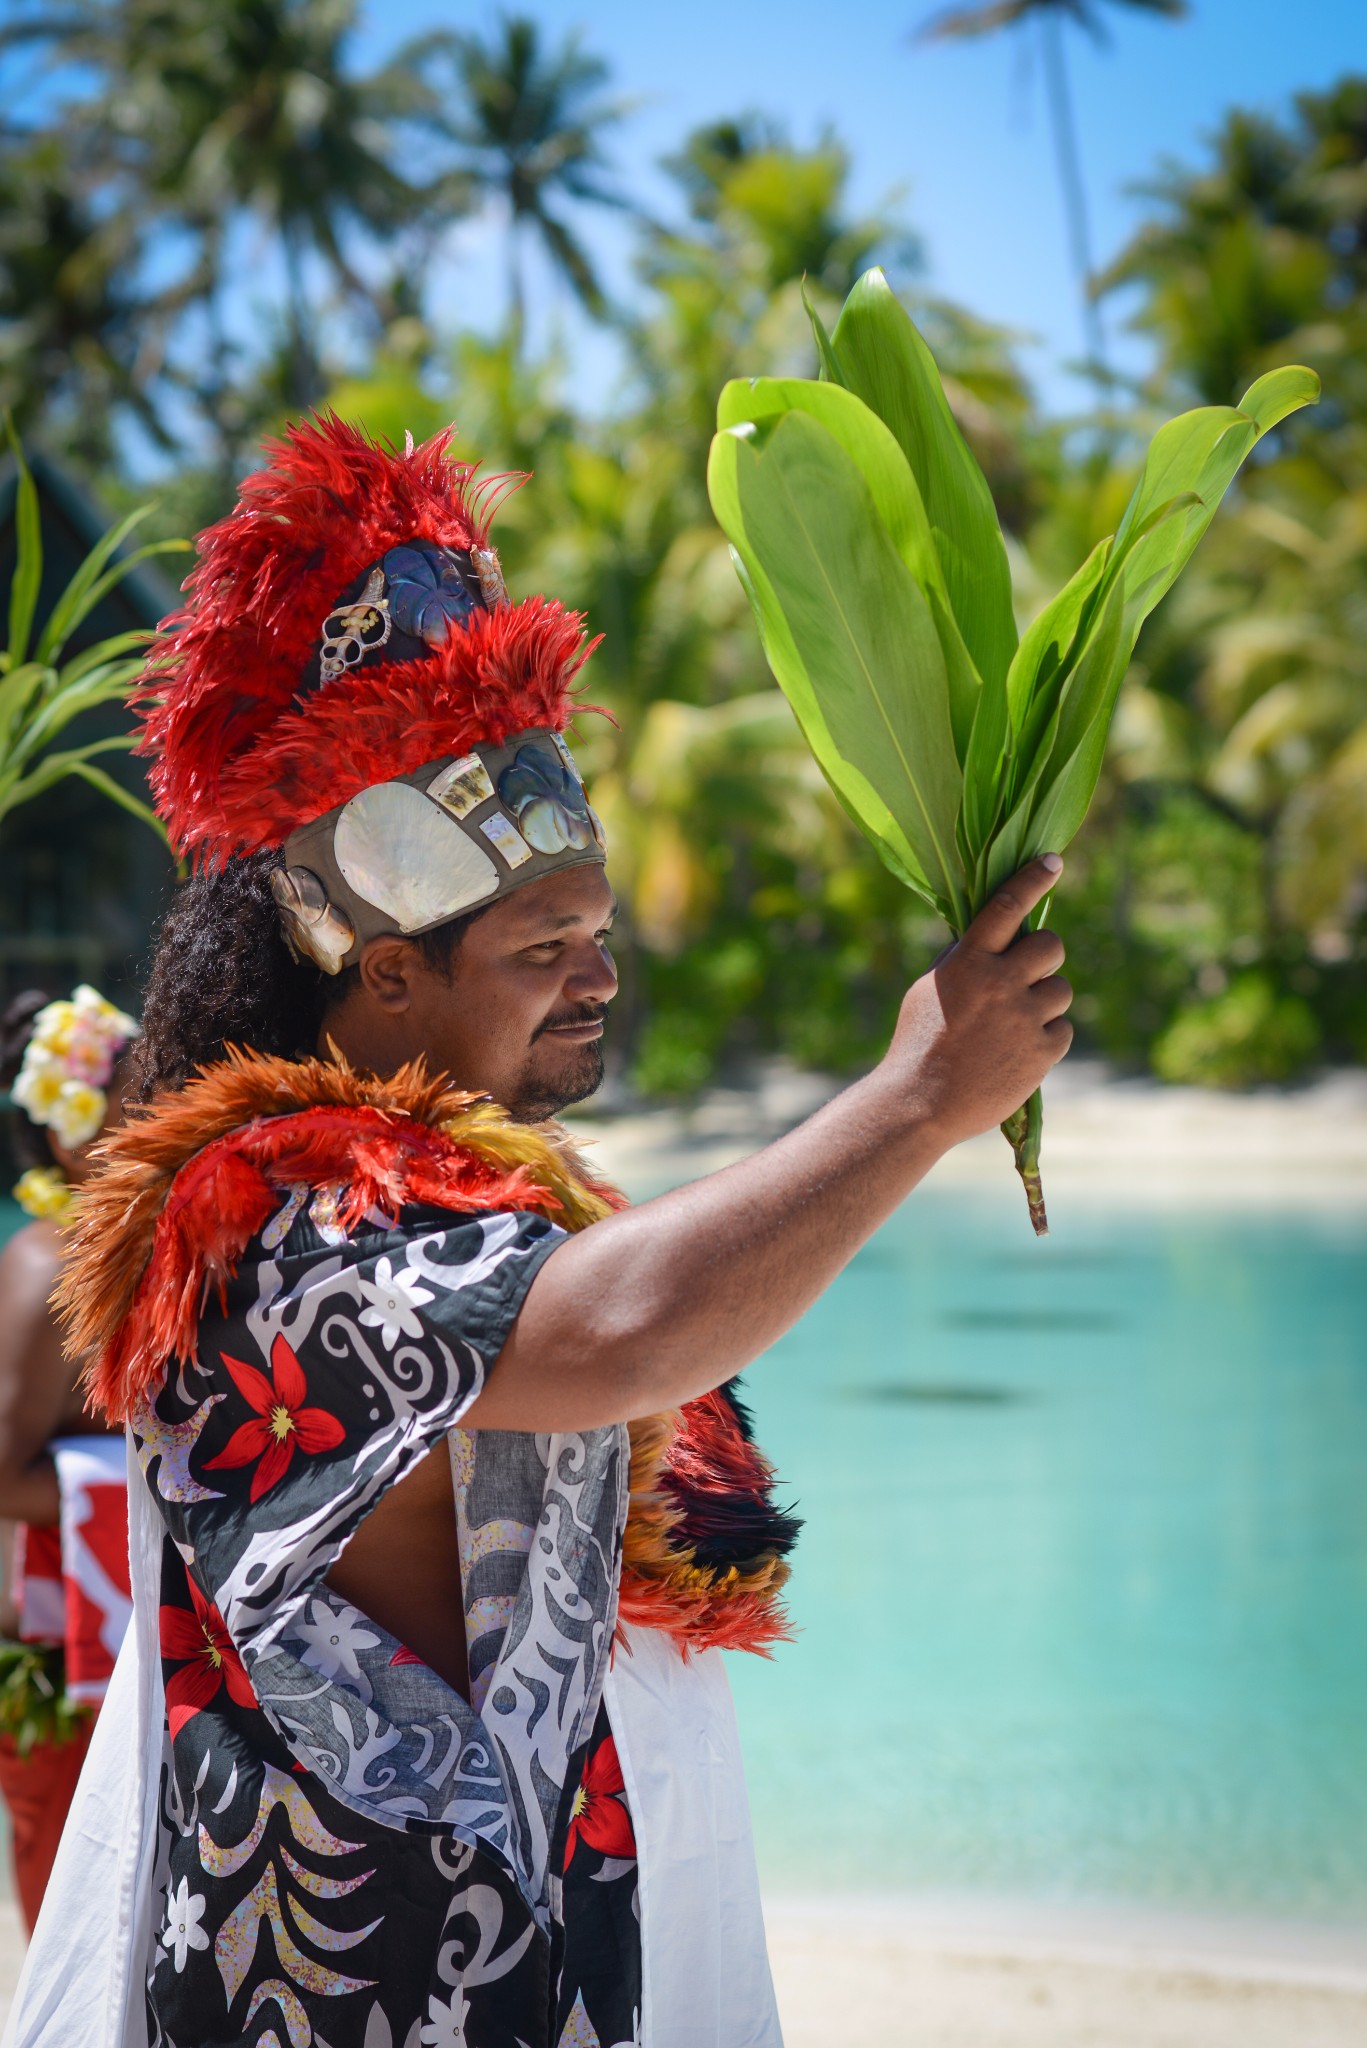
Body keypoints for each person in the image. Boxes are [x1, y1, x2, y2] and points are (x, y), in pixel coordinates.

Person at [4, 417, 1072, 2048]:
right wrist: (919, 1092)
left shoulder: (443, 1184)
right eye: (544, 940)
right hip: (390, 1983)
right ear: (384, 970)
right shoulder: (264, 1202)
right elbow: (623, 1329)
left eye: (599, 931)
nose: (599, 976)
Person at [0, 985, 138, 1929]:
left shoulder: (135, 1244)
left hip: (131, 1629)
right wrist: (167, 1471)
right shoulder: (47, 1260)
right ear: (67, 1132)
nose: (173, 1105)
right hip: (64, 1647)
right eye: (142, 1094)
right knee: (78, 1912)